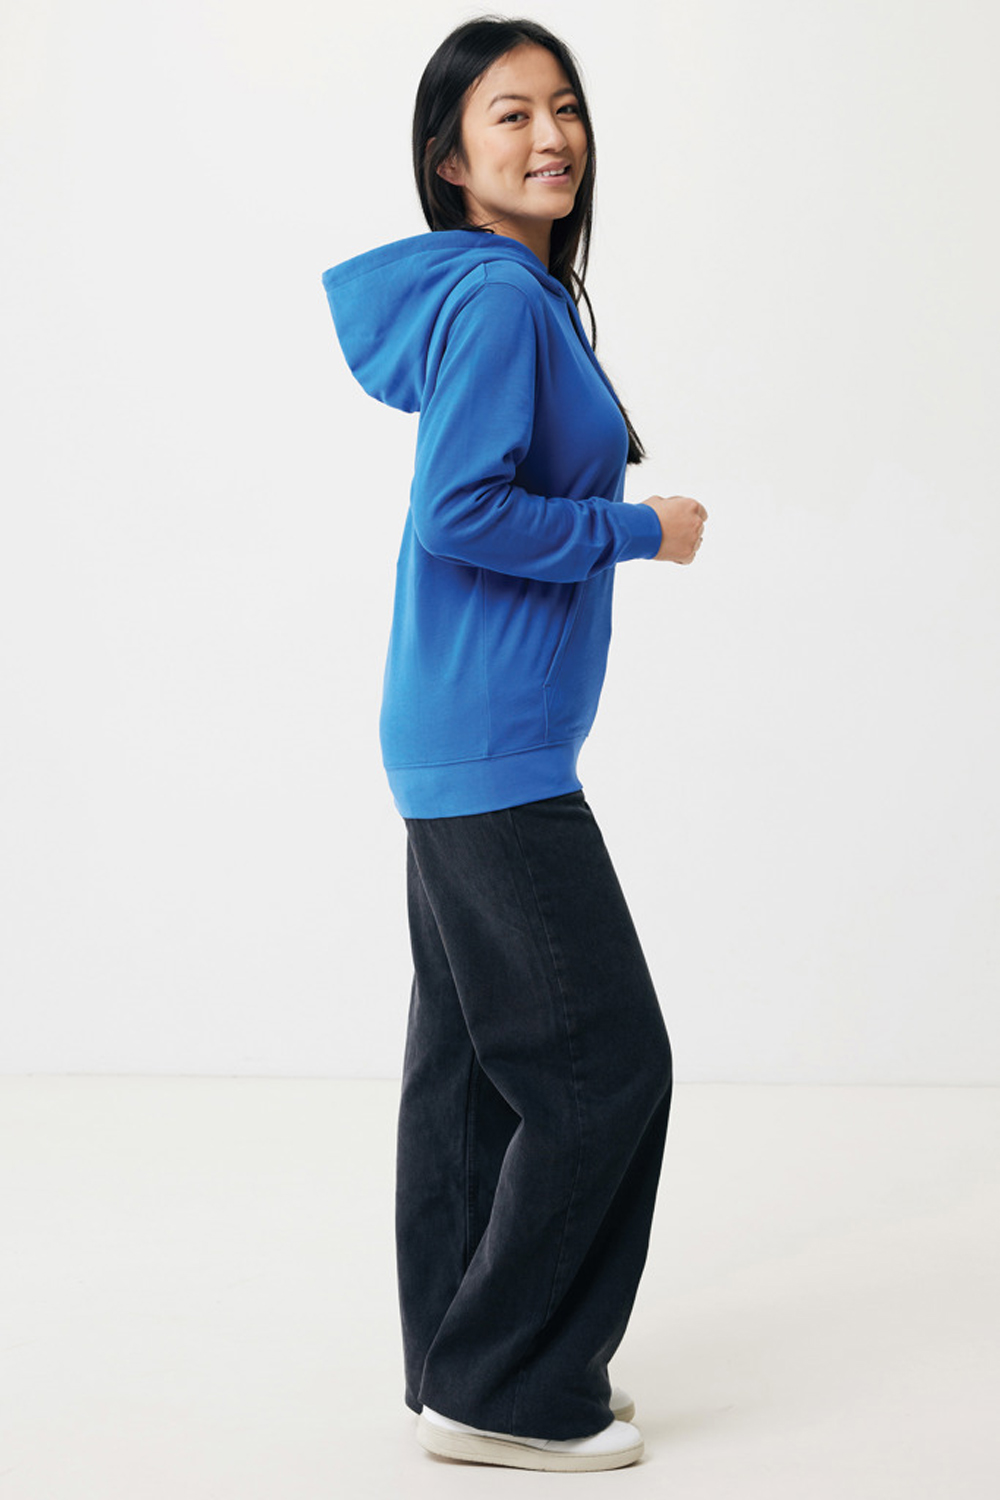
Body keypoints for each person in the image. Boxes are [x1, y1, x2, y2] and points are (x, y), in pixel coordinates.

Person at [321, 15, 707, 1474]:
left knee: (479, 1071)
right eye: (510, 116)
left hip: (457, 732)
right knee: (608, 1064)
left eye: (565, 108)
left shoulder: (515, 295)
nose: (551, 136)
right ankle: (510, 1387)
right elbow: (461, 511)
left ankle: (457, 1364)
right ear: (451, 158)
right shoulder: (495, 301)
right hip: (492, 751)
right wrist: (638, 529)